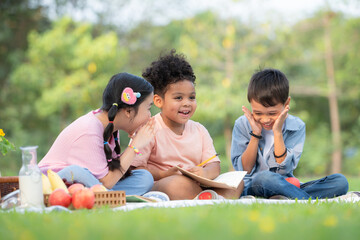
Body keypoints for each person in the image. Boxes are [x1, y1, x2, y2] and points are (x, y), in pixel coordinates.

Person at [131, 50, 243, 200]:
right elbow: (136, 170)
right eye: (178, 98)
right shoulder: (149, 129)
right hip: (165, 183)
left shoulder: (199, 130)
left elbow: (214, 165)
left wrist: (205, 173)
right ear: (159, 101)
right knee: (177, 184)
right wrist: (163, 174)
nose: (187, 103)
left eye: (192, 97)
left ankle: (210, 198)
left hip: (199, 184)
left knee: (238, 180)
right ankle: (211, 199)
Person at [231, 68, 349, 199]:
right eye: (258, 113)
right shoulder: (241, 124)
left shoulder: (297, 126)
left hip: (284, 183)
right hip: (254, 184)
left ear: (286, 103)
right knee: (265, 178)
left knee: (340, 182)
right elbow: (245, 170)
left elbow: (283, 170)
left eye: (272, 113)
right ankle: (302, 198)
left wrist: (277, 133)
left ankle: (285, 196)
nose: (265, 119)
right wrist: (255, 133)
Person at [38, 72, 155, 196]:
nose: (150, 115)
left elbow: (111, 174)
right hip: (54, 184)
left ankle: (105, 196)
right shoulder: (89, 129)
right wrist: (135, 146)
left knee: (144, 177)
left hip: (91, 185)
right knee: (77, 172)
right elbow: (107, 181)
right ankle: (107, 196)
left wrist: (135, 142)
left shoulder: (111, 127)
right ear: (128, 111)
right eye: (148, 108)